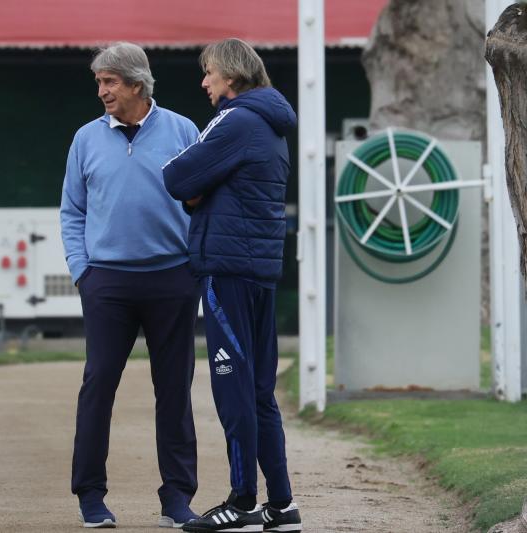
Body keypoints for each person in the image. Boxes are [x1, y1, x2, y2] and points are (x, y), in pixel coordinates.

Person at [163, 38, 302, 533]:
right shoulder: (272, 124)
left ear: (232, 77)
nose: (204, 82)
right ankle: (281, 506)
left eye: (209, 73)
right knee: (260, 392)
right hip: (261, 270)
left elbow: (177, 177)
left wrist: (200, 189)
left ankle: (242, 502)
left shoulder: (235, 118)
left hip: (226, 270)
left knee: (234, 391)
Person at [60, 42, 201, 529]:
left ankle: (178, 498)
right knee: (98, 384)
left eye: (110, 82)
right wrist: (84, 271)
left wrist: (193, 266)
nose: (102, 91)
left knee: (175, 391)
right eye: (99, 82)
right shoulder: (85, 138)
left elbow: (203, 200)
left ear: (137, 85)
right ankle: (91, 496)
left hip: (173, 279)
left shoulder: (183, 130)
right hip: (107, 283)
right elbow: (72, 211)